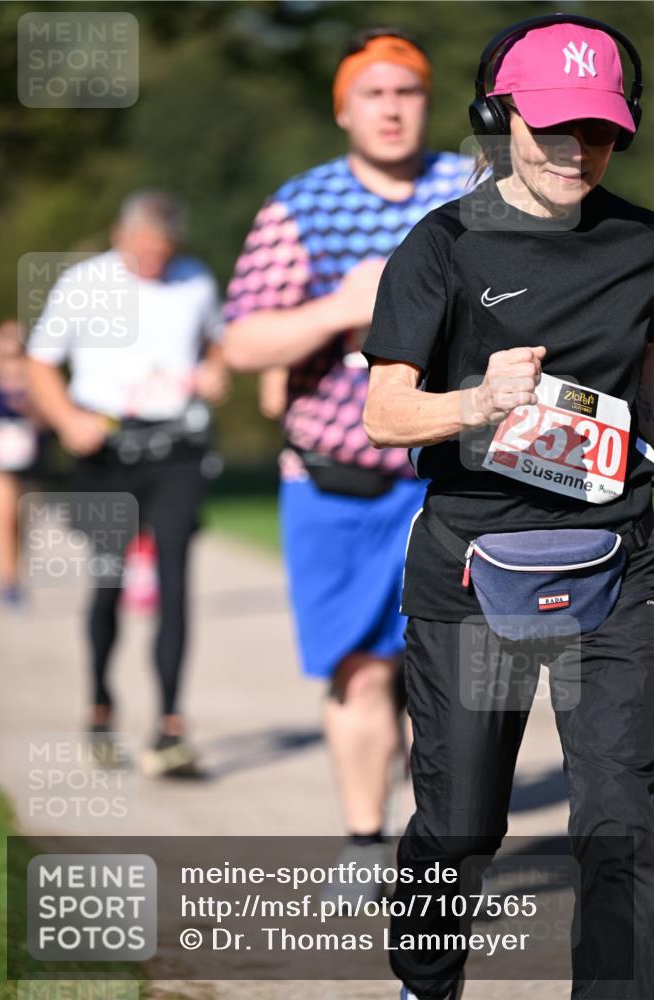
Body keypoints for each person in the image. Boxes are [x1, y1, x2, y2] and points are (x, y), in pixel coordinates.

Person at [363, 14, 653, 1000]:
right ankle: (425, 985)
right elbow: (381, 409)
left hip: (620, 562)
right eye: (553, 127)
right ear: (499, 121)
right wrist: (477, 403)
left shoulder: (644, 247)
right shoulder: (440, 245)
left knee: (623, 820)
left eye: (602, 129)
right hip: (473, 565)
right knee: (461, 821)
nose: (578, 150)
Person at [223, 27, 473, 868]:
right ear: (343, 109)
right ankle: (366, 844)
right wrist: (341, 306)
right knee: (363, 672)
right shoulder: (301, 205)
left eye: (406, 91)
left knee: (452, 676)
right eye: (374, 93)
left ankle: (441, 845)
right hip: (338, 484)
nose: (392, 108)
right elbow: (244, 343)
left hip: (451, 474)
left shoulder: (467, 188)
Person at [27, 189, 230, 776]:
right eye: (144, 252)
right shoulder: (83, 282)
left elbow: (215, 343)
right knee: (109, 580)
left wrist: (215, 371)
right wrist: (67, 420)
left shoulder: (194, 279)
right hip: (107, 449)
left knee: (174, 581)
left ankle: (169, 725)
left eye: (163, 253)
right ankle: (99, 705)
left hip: (177, 447)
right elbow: (41, 360)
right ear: (121, 237)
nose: (154, 264)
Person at [0, 320, 45, 606]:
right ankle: (7, 581)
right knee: (4, 516)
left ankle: (12, 576)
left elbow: (50, 423)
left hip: (28, 464)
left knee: (21, 522)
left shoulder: (37, 383)